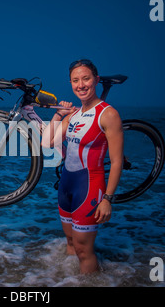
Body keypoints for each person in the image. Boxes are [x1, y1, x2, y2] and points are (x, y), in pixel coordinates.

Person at [41, 59, 124, 274]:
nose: (81, 85)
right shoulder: (74, 115)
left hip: (89, 187)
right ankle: (69, 279)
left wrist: (107, 199)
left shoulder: (108, 114)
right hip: (66, 186)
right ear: (70, 83)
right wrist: (59, 114)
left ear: (96, 80)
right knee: (70, 242)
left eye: (86, 79)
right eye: (75, 80)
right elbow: (47, 142)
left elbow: (116, 162)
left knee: (84, 250)